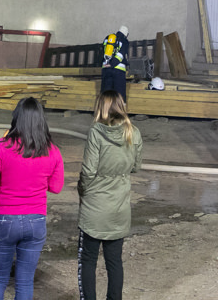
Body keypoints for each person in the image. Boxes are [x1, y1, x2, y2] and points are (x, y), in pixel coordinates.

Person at [0, 97, 65, 300]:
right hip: (36, 220)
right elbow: (56, 187)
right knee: (25, 281)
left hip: (5, 218)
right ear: (41, 120)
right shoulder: (52, 151)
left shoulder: (1, 147)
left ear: (16, 118)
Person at [77, 91, 143, 300]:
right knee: (114, 262)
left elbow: (88, 171)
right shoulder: (134, 133)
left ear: (101, 107)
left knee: (88, 260)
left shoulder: (96, 132)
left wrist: (82, 189)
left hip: (95, 208)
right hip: (119, 208)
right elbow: (135, 167)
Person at [101, 26, 130, 101]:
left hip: (106, 69)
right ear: (126, 34)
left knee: (106, 93)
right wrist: (113, 63)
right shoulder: (124, 40)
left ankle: (104, 110)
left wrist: (107, 64)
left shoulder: (108, 38)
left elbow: (103, 51)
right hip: (118, 70)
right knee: (119, 94)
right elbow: (121, 54)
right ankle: (119, 111)